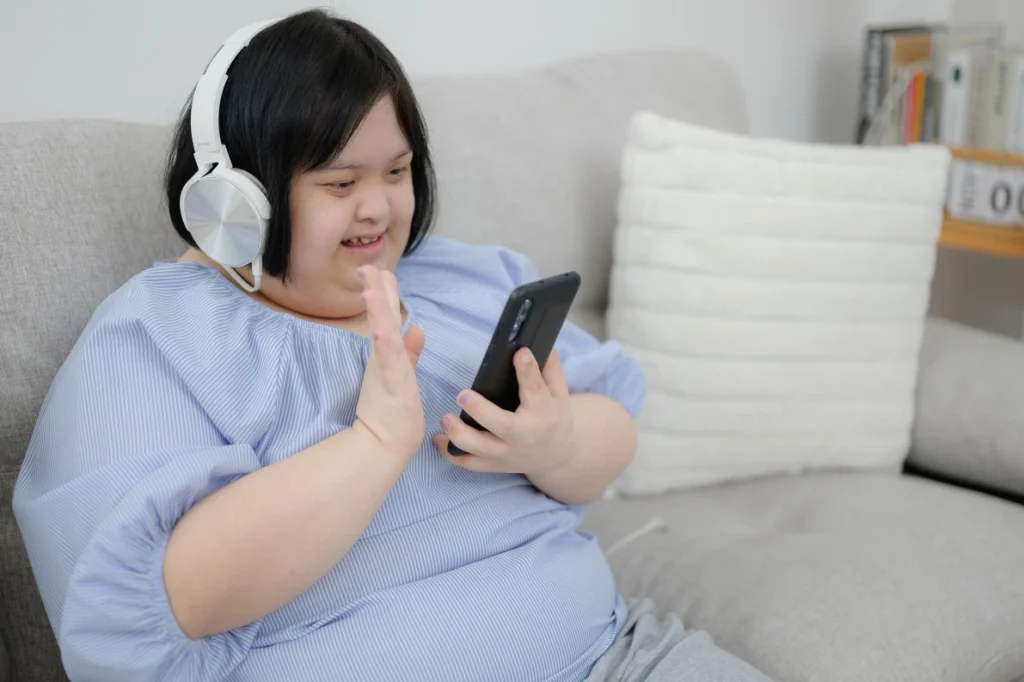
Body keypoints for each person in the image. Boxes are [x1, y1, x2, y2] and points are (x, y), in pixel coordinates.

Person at [13, 9, 772, 682]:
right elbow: (161, 602)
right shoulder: (159, 338)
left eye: (398, 170)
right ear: (235, 202)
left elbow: (615, 421)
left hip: (618, 657)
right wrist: (373, 445)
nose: (379, 207)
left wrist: (557, 441)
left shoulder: (460, 281)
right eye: (339, 184)